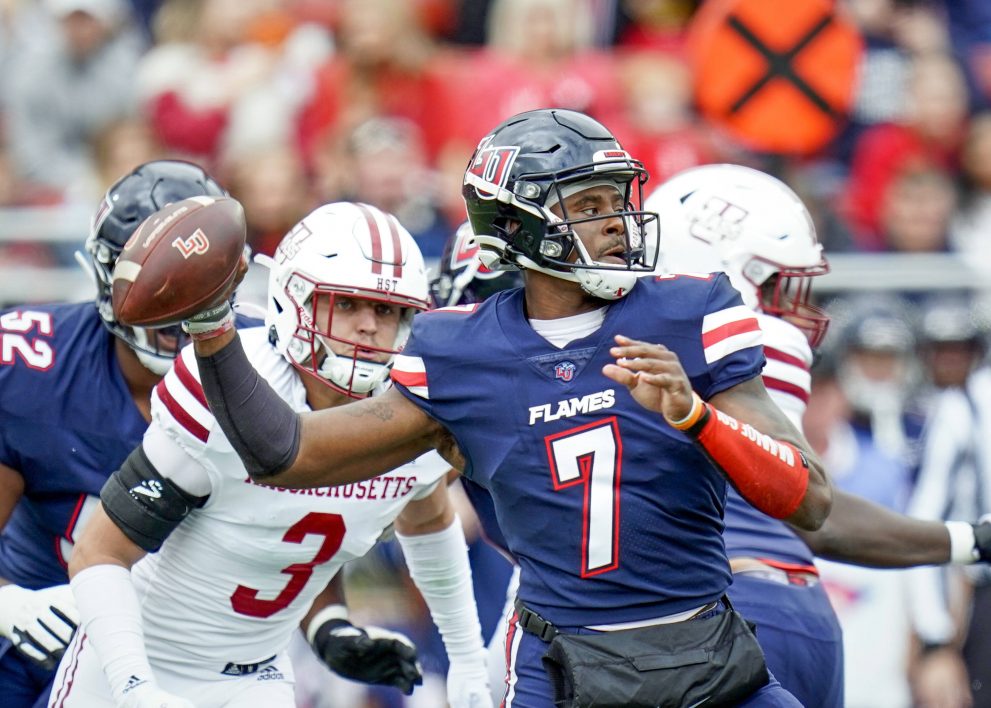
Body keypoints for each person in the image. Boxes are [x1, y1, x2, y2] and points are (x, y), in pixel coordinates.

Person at [165, 108, 838, 706]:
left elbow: (807, 499)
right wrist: (213, 331)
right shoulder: (459, 353)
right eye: (591, 204)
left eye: (617, 200)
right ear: (520, 225)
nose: (617, 222)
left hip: (709, 658)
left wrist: (698, 417)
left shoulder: (690, 311)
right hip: (562, 667)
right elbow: (286, 455)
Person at [49, 202, 493, 707]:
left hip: (257, 676)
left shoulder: (413, 406)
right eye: (345, 304)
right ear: (293, 299)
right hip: (136, 661)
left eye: (387, 310)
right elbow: (100, 553)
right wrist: (135, 688)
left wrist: (467, 661)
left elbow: (430, 522)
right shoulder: (230, 387)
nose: (369, 326)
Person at [646, 163, 991, 708]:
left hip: (707, 615)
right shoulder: (742, 343)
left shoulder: (606, 352)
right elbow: (814, 512)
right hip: (789, 610)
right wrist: (969, 540)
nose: (796, 310)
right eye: (773, 285)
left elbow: (808, 503)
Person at [0, 160, 227, 708]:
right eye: (159, 284)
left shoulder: (261, 372)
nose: (176, 310)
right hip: (38, 626)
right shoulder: (34, 367)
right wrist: (5, 603)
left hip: (179, 649)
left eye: (196, 286)